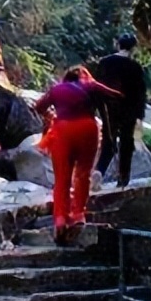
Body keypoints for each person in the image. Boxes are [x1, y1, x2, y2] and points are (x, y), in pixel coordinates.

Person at [33, 65, 122, 245]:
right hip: (87, 129)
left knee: (62, 178)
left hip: (62, 131)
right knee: (82, 174)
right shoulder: (91, 86)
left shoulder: (56, 89)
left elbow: (39, 106)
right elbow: (116, 96)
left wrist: (50, 115)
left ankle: (60, 219)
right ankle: (78, 214)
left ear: (66, 78)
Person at [93, 33, 148, 188]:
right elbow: (140, 93)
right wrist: (140, 115)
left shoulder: (104, 63)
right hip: (129, 110)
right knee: (126, 143)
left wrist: (98, 108)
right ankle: (123, 179)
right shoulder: (135, 67)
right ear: (133, 48)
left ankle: (99, 171)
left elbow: (96, 86)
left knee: (108, 142)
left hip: (108, 109)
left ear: (118, 45)